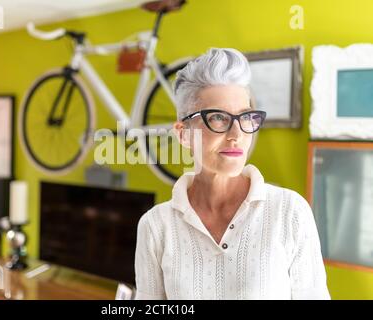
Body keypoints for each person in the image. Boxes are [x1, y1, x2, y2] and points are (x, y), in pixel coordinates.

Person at [134, 48, 330, 299]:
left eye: (246, 117)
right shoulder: (155, 226)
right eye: (218, 118)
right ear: (183, 134)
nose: (237, 135)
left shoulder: (289, 212)